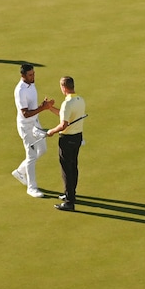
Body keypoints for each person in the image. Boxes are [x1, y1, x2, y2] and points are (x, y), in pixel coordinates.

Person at [45, 75, 86, 211]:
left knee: (67, 170)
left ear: (63, 87)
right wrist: (51, 108)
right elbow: (65, 115)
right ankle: (71, 194)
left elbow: (63, 124)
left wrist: (52, 131)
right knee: (73, 167)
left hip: (67, 139)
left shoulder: (67, 103)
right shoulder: (80, 100)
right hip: (78, 137)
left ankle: (69, 202)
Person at [12, 63, 52, 198]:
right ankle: (31, 188)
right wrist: (43, 107)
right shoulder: (20, 91)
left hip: (35, 123)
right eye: (30, 75)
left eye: (34, 74)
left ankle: (20, 171)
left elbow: (33, 108)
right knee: (32, 155)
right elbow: (25, 114)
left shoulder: (31, 84)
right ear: (23, 76)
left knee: (43, 150)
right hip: (26, 126)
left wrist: (42, 106)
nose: (33, 76)